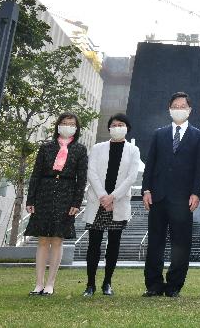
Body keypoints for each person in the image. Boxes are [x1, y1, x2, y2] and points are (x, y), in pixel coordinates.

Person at [142, 92, 200, 298]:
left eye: (183, 106)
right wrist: (146, 189)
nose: (179, 109)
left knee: (181, 244)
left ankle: (174, 285)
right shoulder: (158, 134)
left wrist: (196, 193)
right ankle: (153, 284)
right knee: (155, 243)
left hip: (183, 199)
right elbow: (150, 164)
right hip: (158, 197)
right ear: (169, 109)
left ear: (189, 110)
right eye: (175, 105)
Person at [25, 112, 88, 296]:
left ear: (76, 128)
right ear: (58, 125)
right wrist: (31, 199)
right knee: (43, 239)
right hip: (44, 192)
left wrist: (76, 202)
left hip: (67, 194)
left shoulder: (80, 150)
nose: (67, 126)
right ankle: (38, 283)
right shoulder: (46, 148)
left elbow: (81, 178)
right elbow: (35, 174)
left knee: (57, 239)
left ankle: (51, 283)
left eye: (71, 123)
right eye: (64, 123)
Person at [81, 113, 140, 297]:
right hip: (98, 202)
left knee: (113, 245)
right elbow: (91, 172)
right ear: (109, 128)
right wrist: (103, 196)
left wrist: (113, 197)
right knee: (94, 245)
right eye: (114, 125)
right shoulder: (98, 148)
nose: (117, 127)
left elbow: (131, 176)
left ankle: (107, 283)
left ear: (127, 128)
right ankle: (90, 284)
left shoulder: (133, 150)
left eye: (121, 124)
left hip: (117, 204)